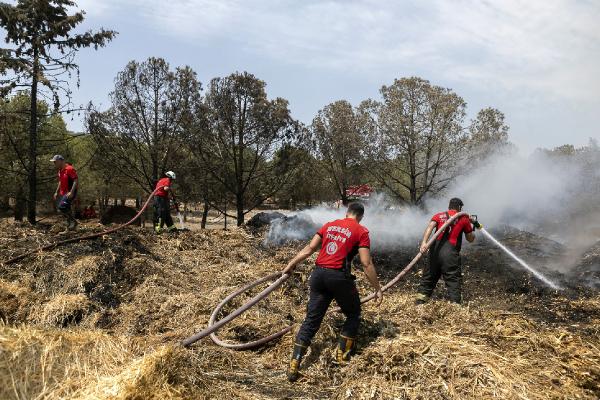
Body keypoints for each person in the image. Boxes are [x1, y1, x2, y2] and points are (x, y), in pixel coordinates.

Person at [283, 202, 383, 382]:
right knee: (353, 313)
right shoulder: (361, 231)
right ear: (360, 216)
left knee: (312, 319)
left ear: (347, 213)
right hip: (338, 277)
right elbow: (366, 263)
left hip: (318, 275)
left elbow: (310, 249)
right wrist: (378, 289)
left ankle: (294, 364)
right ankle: (341, 357)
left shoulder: (329, 225)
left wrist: (291, 264)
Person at [416, 197, 480, 305]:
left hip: (434, 252)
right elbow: (470, 239)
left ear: (449, 206)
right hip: (450, 255)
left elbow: (430, 227)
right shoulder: (463, 219)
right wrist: (472, 227)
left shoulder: (439, 215)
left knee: (429, 277)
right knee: (453, 279)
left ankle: (420, 303)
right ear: (460, 207)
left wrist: (424, 243)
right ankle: (455, 306)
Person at [51, 155, 78, 233]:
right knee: (66, 209)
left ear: (60, 161)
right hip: (63, 192)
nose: (54, 163)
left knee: (62, 207)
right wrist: (56, 192)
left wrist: (72, 192)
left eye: (55, 162)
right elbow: (60, 181)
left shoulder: (69, 169)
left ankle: (74, 223)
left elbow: (75, 180)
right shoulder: (60, 171)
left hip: (69, 192)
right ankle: (70, 228)